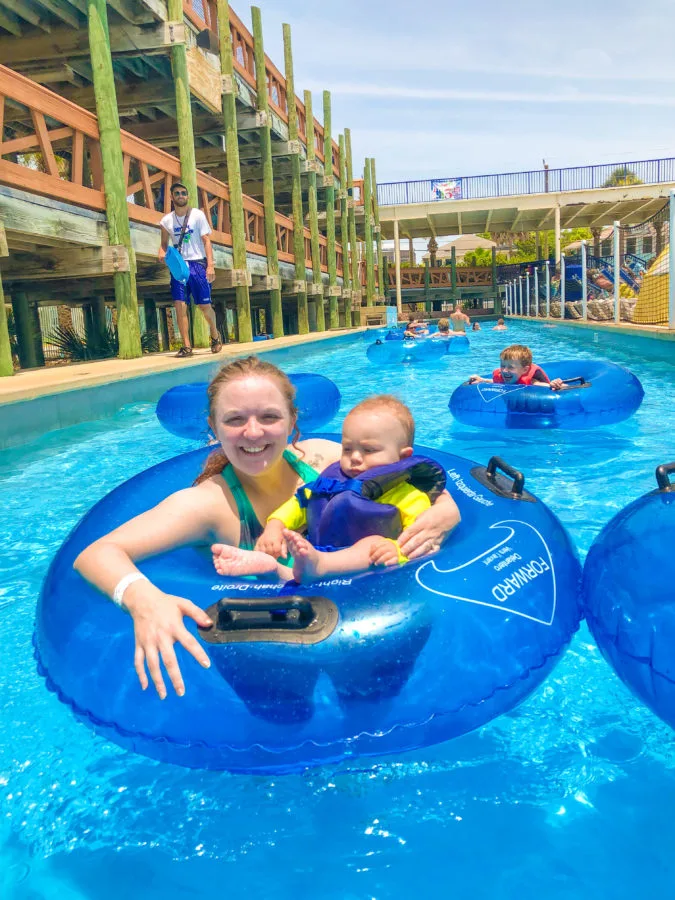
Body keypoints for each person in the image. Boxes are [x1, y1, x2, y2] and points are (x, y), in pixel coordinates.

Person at [74, 357, 461, 699]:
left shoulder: (327, 460)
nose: (254, 432)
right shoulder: (209, 505)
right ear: (213, 427)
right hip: (270, 642)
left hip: (374, 620)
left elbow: (414, 482)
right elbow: (95, 554)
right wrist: (145, 601)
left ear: (293, 420)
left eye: (269, 417)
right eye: (235, 419)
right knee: (282, 724)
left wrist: (446, 512)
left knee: (370, 707)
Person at [212, 395, 450, 584]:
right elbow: (298, 505)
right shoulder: (332, 480)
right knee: (294, 545)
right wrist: (274, 528)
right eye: (347, 449)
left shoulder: (408, 495)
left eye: (368, 451)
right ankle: (274, 569)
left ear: (402, 457)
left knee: (374, 543)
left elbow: (419, 538)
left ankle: (319, 566)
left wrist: (395, 550)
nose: (355, 458)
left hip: (369, 566)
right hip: (316, 552)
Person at [158, 182, 222, 359]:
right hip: (179, 266)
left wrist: (210, 265)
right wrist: (161, 253)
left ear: (187, 196)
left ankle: (215, 334)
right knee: (180, 305)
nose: (180, 195)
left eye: (183, 193)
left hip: (197, 264)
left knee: (204, 306)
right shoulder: (166, 221)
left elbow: (206, 241)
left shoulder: (197, 215)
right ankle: (186, 346)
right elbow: (164, 244)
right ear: (171, 197)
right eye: (177, 193)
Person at [468, 344, 565, 389]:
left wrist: (555, 384)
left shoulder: (531, 382)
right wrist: (482, 380)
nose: (505, 370)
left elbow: (541, 385)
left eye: (511, 367)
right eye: (502, 366)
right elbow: (497, 381)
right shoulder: (504, 377)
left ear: (524, 370)